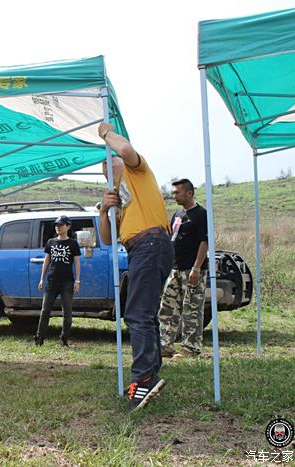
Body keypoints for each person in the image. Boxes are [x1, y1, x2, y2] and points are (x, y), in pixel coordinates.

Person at [97, 122, 173, 411]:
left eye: (111, 159)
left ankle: (143, 379)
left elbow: (126, 149)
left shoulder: (136, 171)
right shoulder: (116, 196)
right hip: (143, 247)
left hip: (151, 242)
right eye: (104, 166)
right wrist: (104, 210)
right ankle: (151, 373)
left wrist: (106, 134)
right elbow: (107, 237)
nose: (108, 164)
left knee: (137, 313)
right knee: (145, 313)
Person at [159, 179, 208, 359]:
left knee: (191, 309)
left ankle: (190, 348)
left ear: (189, 193)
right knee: (167, 307)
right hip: (175, 269)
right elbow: (173, 237)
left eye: (177, 192)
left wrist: (196, 268)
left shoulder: (201, 214)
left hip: (193, 270)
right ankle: (165, 345)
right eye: (173, 192)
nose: (174, 195)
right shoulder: (178, 214)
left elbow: (205, 242)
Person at [35, 215, 81, 347]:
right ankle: (39, 337)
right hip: (51, 282)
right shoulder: (51, 242)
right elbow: (47, 261)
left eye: (60, 225)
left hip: (67, 282)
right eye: (56, 225)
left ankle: (64, 338)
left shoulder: (73, 244)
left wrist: (77, 281)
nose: (57, 227)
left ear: (68, 226)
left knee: (67, 312)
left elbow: (77, 263)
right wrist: (42, 279)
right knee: (45, 310)